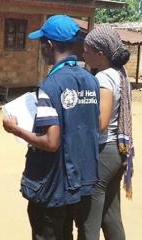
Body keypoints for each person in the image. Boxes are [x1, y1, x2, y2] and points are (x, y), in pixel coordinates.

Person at [2, 15, 100, 239]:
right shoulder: (90, 80)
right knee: (66, 233)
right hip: (80, 181)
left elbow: (51, 141)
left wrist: (15, 129)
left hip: (52, 185)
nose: (41, 49)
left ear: (50, 45)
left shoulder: (51, 85)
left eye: (41, 43)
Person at [81, 25, 134, 240]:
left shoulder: (103, 78)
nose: (83, 54)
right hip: (117, 151)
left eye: (87, 50)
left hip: (104, 150)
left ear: (100, 54)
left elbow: (101, 122)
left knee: (89, 219)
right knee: (110, 216)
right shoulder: (119, 74)